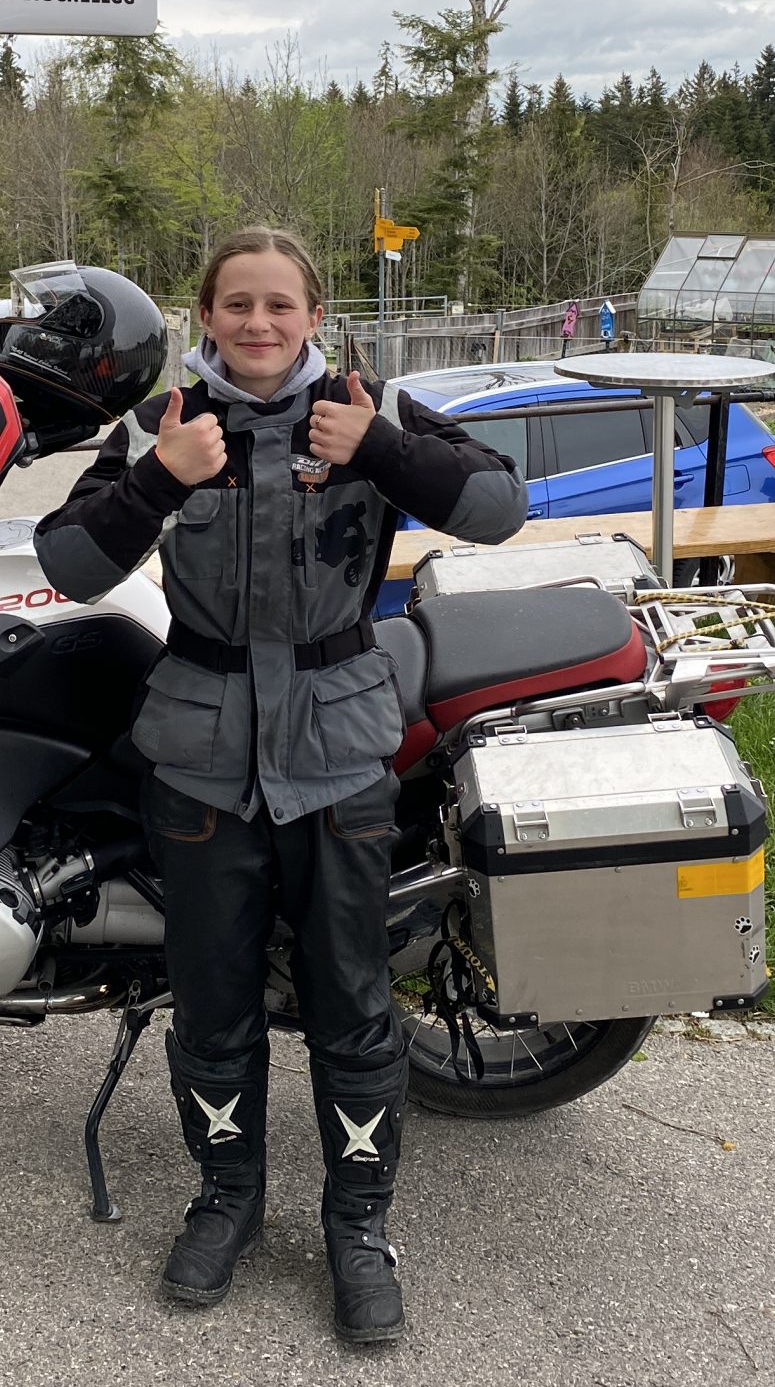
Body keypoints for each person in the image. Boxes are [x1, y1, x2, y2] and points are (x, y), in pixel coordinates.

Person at [34, 229, 525, 1344]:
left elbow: (500, 509)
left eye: (279, 307)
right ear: (202, 316)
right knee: (212, 1007)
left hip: (340, 758)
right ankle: (227, 1203)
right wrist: (161, 479)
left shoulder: (370, 406)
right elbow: (68, 564)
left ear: (313, 316)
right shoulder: (161, 427)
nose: (258, 326)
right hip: (203, 761)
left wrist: (384, 453)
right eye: (236, 306)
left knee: (354, 1006)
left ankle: (360, 1227)